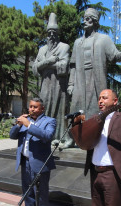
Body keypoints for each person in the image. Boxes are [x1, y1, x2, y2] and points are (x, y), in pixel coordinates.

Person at [63, 8, 121, 148]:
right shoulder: (77, 42)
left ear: (95, 22)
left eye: (89, 18)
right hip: (79, 79)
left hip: (95, 79)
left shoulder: (104, 39)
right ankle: (72, 139)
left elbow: (116, 57)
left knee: (95, 111)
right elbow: (72, 65)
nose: (86, 20)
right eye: (84, 18)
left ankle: (95, 140)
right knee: (75, 108)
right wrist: (71, 84)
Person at [9, 97, 56, 206]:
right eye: (30, 106)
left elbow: (47, 136)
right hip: (25, 162)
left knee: (40, 193)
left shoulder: (49, 121)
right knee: (28, 191)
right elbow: (12, 136)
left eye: (35, 107)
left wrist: (29, 125)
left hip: (40, 164)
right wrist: (18, 124)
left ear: (42, 109)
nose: (32, 109)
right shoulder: (23, 121)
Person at [32, 13, 70, 147]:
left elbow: (64, 66)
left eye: (54, 32)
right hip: (45, 86)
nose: (52, 35)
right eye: (49, 32)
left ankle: (59, 137)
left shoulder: (64, 47)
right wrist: (49, 61)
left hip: (59, 85)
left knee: (60, 110)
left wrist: (45, 64)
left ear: (58, 33)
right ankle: (43, 136)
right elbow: (35, 68)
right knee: (44, 108)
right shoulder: (41, 50)